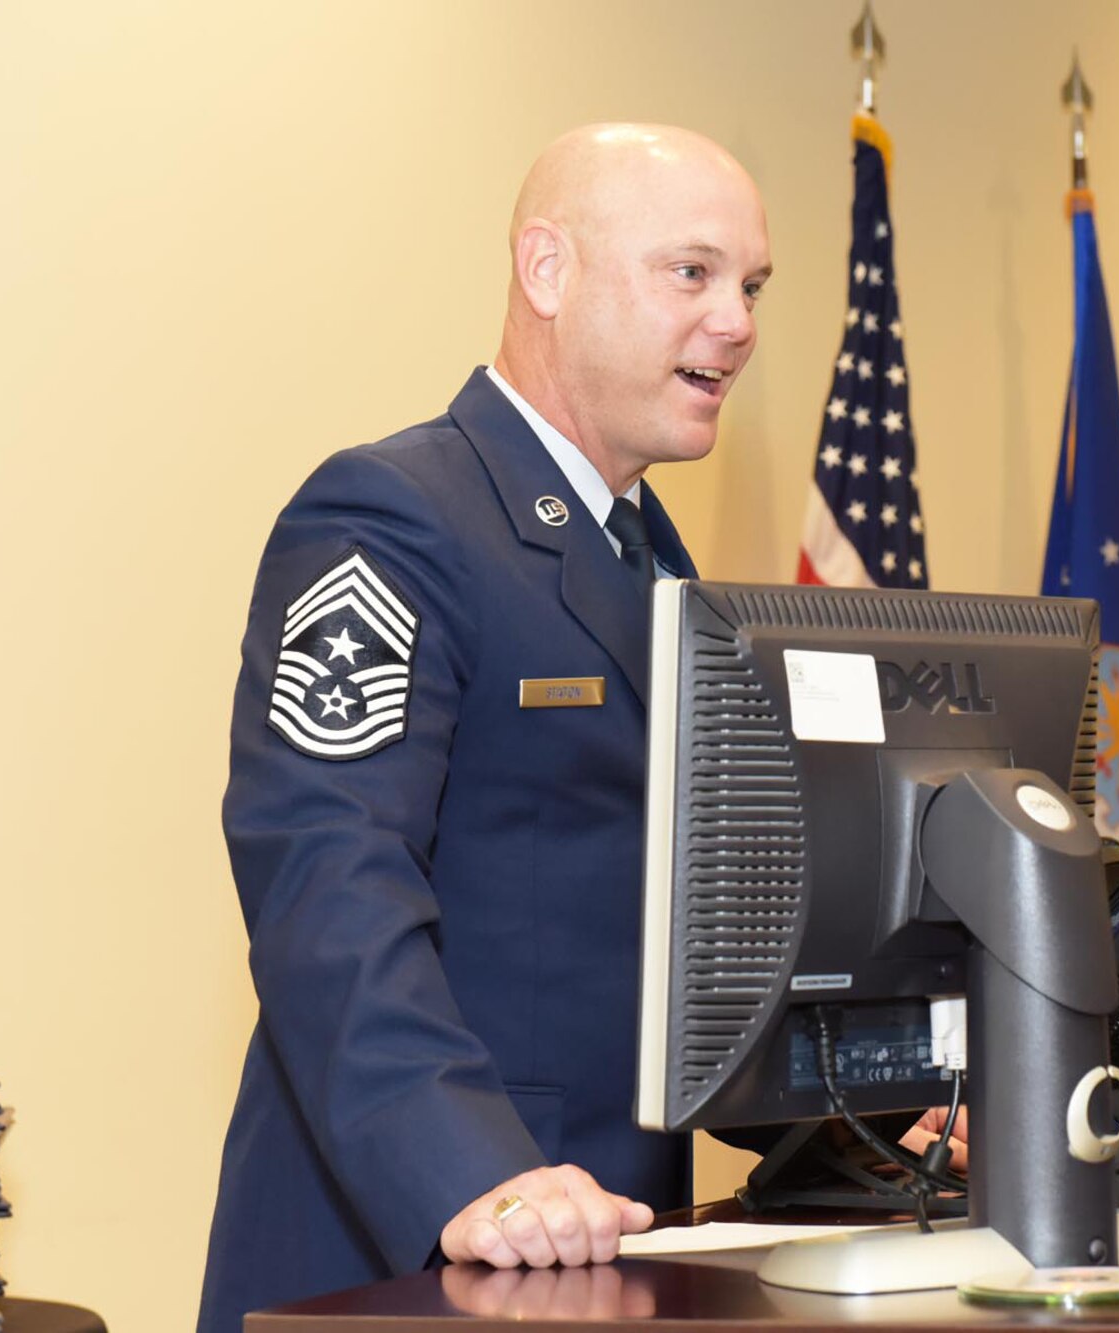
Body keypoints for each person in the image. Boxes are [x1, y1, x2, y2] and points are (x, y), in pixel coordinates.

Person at [196, 123, 773, 1333]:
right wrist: (470, 1173)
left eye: (751, 286)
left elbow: (671, 936)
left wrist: (863, 1112)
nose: (736, 322)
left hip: (599, 1250)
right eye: (693, 272)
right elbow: (325, 880)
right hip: (413, 1254)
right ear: (548, 270)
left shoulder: (651, 559)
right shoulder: (391, 516)